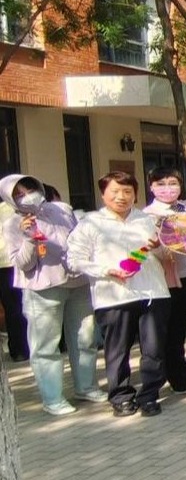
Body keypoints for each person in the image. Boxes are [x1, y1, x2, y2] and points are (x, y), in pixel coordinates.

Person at [66, 171, 172, 417]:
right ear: (103, 194)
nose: (121, 197)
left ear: (135, 194)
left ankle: (149, 395)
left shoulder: (147, 220)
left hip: (152, 291)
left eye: (127, 191)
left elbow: (165, 256)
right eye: (114, 191)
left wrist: (159, 247)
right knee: (117, 350)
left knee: (154, 350)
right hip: (113, 295)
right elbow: (74, 260)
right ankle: (121, 397)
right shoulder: (90, 223)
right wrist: (106, 271)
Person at [1, 174, 100, 415]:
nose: (27, 196)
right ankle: (53, 398)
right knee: (46, 346)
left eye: (30, 189)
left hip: (78, 282)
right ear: (10, 199)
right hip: (43, 288)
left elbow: (79, 240)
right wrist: (29, 239)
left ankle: (86, 387)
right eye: (19, 194)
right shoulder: (12, 224)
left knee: (85, 339)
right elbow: (22, 264)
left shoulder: (62, 210)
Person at [142, 167, 186, 390]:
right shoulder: (147, 215)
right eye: (161, 184)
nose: (167, 189)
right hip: (171, 278)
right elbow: (144, 249)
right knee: (175, 328)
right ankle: (178, 377)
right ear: (151, 187)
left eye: (173, 183)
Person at [0, 198, 30, 363]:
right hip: (11, 263)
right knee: (16, 307)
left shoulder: (13, 207)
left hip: (10, 264)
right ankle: (20, 349)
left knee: (14, 308)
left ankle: (20, 350)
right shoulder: (13, 207)